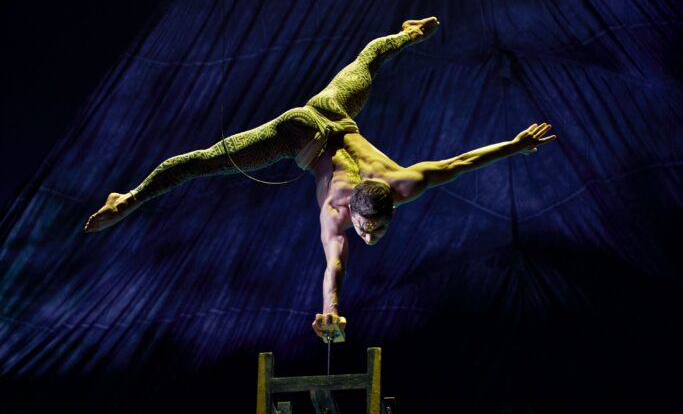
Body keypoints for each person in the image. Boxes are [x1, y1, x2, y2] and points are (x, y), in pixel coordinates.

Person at [84, 17, 556, 341]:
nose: (371, 237)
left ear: (392, 204)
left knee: (369, 61)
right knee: (205, 161)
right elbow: (335, 267)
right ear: (353, 212)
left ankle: (407, 33)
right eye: (368, 229)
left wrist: (516, 145)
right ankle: (129, 198)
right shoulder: (336, 212)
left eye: (378, 231)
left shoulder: (403, 183)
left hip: (335, 109)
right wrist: (330, 309)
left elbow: (461, 162)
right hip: (295, 134)